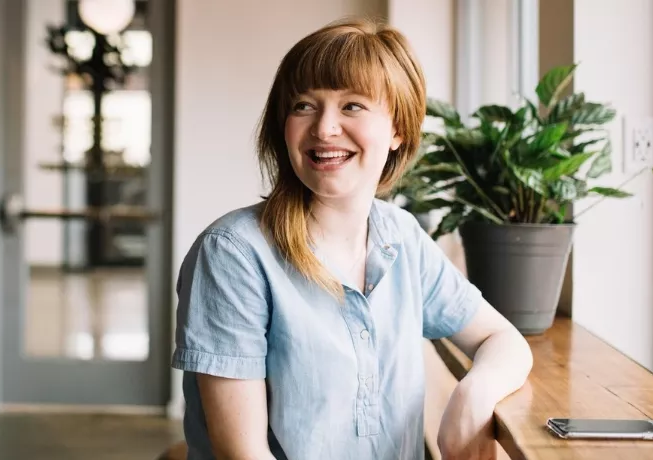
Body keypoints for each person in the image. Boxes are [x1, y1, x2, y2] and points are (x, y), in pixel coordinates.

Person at [170, 17, 533, 460]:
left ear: (398, 128)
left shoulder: (401, 236)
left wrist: (475, 392)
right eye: (304, 105)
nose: (324, 128)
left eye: (352, 106)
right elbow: (242, 454)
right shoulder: (233, 253)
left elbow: (502, 339)